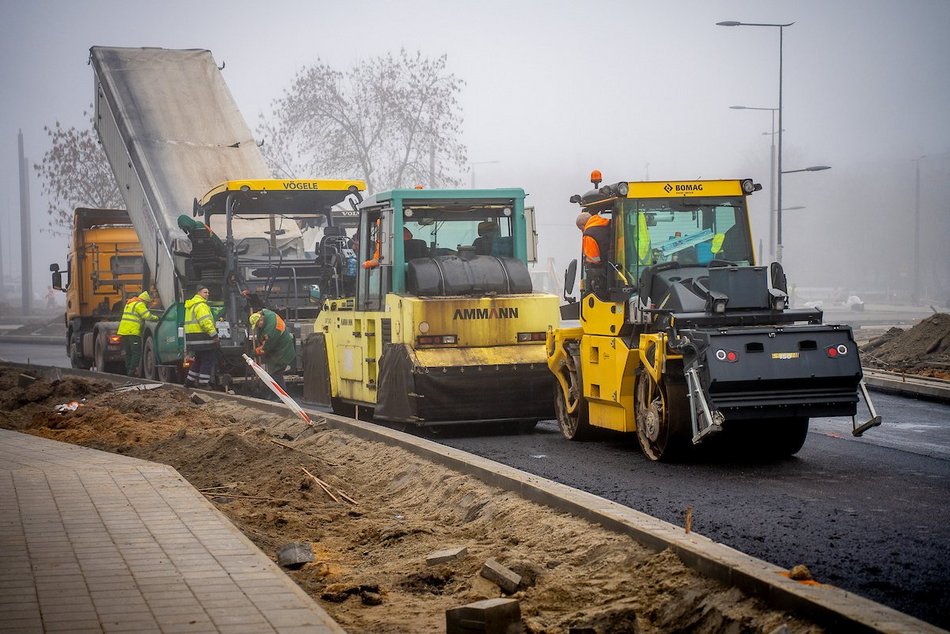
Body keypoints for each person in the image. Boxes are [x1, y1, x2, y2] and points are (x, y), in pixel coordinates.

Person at [249, 308, 296, 392]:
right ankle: (279, 394)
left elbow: (267, 347)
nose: (256, 327)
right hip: (278, 348)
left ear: (260, 320)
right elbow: (263, 310)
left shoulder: (271, 330)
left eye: (257, 325)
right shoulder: (266, 314)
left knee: (275, 373)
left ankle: (283, 395)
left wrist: (256, 351)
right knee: (274, 373)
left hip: (283, 351)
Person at [183, 286, 220, 389]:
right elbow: (206, 323)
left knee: (198, 360)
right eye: (205, 292)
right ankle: (203, 383)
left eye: (208, 292)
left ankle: (189, 381)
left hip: (193, 339)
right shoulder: (201, 306)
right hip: (203, 339)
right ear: (198, 293)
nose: (207, 294)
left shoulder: (191, 305)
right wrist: (214, 335)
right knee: (207, 360)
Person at [116, 290, 159, 377]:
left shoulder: (129, 304)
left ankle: (128, 370)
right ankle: (132, 372)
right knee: (136, 352)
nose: (147, 305)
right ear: (145, 300)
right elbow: (147, 316)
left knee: (128, 352)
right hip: (133, 332)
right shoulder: (140, 305)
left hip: (124, 332)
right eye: (147, 303)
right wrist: (157, 318)